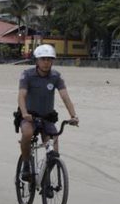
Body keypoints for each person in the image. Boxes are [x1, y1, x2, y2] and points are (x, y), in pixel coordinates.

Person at [18, 44, 79, 180]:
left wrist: (73, 116)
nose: (46, 62)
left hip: (47, 117)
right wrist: (24, 113)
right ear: (37, 61)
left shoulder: (56, 76)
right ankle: (26, 163)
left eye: (49, 59)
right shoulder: (27, 75)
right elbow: (21, 95)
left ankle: (45, 178)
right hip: (30, 116)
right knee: (27, 134)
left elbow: (65, 96)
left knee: (54, 152)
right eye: (43, 59)